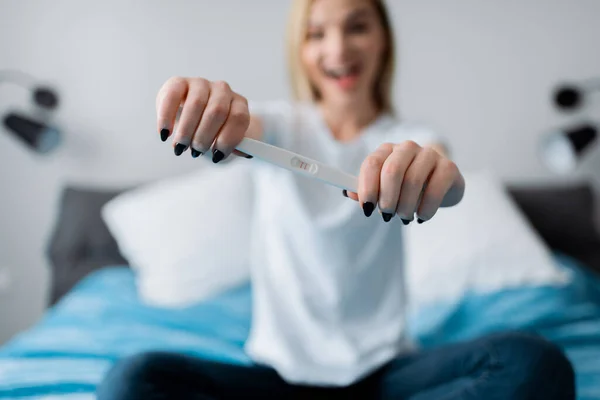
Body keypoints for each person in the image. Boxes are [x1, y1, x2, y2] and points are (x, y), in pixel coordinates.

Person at [97, 0, 576, 398]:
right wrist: (212, 111)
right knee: (133, 379)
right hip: (276, 377)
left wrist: (440, 179)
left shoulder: (412, 136)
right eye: (316, 33)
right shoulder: (280, 124)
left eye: (357, 27)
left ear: (382, 39)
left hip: (387, 374)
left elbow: (441, 172)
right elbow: (241, 127)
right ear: (300, 51)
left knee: (533, 362)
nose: (338, 48)